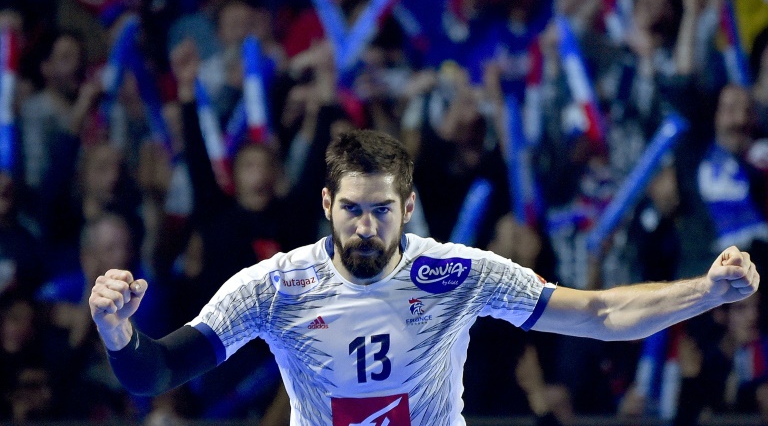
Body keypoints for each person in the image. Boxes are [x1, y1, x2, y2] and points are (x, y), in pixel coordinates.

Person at [89, 129, 760, 426]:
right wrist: (119, 333)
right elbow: (156, 373)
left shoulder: (457, 273)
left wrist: (705, 291)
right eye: (351, 210)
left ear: (407, 208)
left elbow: (602, 314)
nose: (365, 227)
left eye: (381, 211)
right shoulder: (273, 286)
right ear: (326, 205)